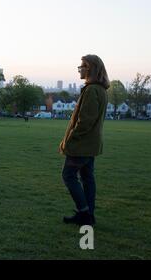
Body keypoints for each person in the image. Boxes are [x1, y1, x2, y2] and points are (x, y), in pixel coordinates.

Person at [59, 55, 110, 226]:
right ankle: (89, 216)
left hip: (82, 145)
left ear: (91, 69)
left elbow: (84, 122)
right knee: (87, 177)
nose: (80, 69)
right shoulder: (100, 90)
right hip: (91, 144)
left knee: (68, 175)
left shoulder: (91, 90)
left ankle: (84, 213)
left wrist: (69, 140)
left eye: (83, 66)